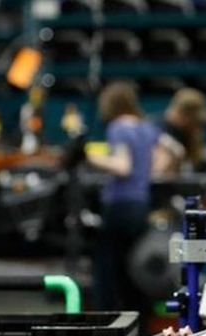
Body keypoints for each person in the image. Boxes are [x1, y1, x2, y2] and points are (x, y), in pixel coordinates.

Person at [81, 81, 159, 313]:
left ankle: (107, 320)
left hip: (120, 204)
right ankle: (141, 325)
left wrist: (89, 157)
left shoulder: (119, 127)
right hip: (141, 204)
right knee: (136, 269)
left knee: (108, 270)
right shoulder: (147, 128)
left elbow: (123, 166)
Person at [152, 88, 206, 178]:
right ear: (181, 114)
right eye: (193, 120)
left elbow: (195, 160)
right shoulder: (153, 129)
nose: (197, 127)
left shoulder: (186, 134)